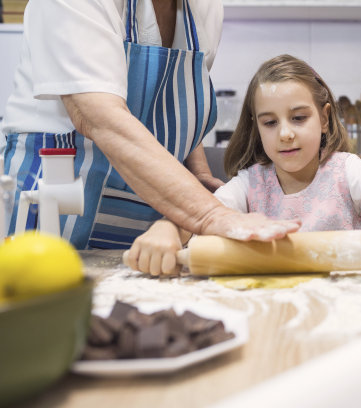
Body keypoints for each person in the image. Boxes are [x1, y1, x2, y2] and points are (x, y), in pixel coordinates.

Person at [0, 0, 300, 249]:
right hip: (56, 199)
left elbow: (173, 96)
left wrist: (198, 171)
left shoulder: (205, 7)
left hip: (143, 211)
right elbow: (97, 117)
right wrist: (210, 214)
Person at [128, 54, 361, 276]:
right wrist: (166, 229)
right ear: (257, 128)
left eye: (298, 117)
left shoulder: (345, 172)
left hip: (344, 308)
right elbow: (201, 215)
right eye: (270, 122)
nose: (286, 133)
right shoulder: (249, 186)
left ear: (325, 118)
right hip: (271, 309)